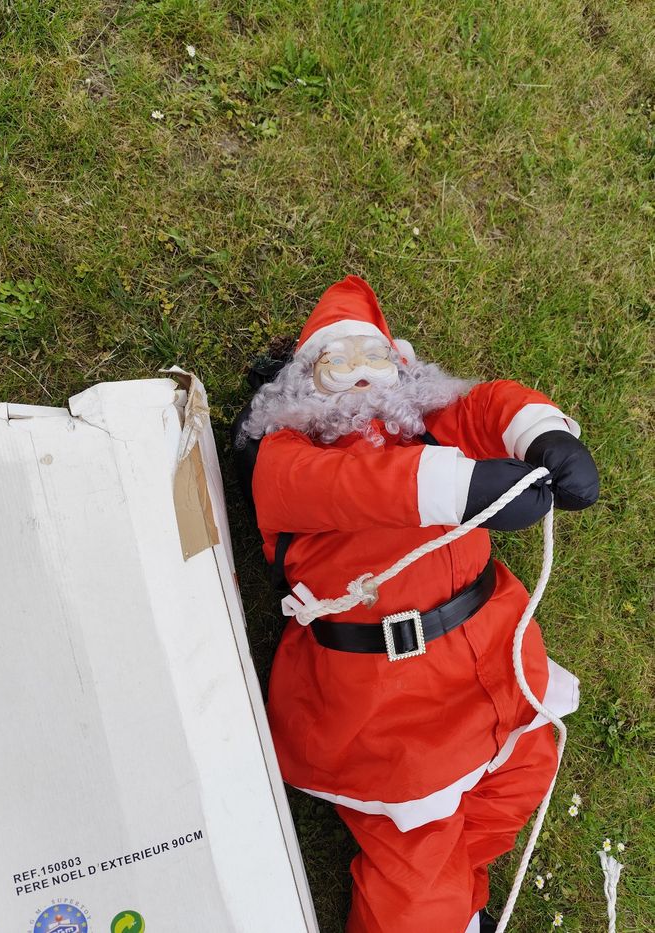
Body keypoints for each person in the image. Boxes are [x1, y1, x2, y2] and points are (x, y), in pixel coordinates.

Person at [237, 275, 599, 933]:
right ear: (297, 383)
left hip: (492, 662)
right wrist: (460, 486)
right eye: (336, 361)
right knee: (417, 874)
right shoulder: (285, 459)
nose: (359, 375)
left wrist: (544, 434)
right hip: (388, 710)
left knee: (523, 777)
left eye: (374, 357)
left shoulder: (426, 424)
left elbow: (487, 405)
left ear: (402, 367)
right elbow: (351, 487)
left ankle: (459, 903)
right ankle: (445, 909)